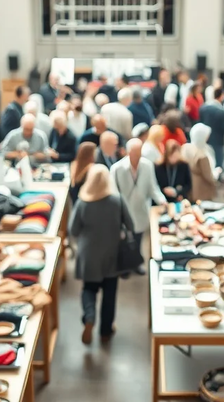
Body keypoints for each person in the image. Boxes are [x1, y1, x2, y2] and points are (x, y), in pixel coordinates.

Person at [70, 164, 134, 344]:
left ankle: (89, 317)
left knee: (89, 289)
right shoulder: (117, 200)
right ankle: (106, 330)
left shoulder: (83, 202)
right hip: (111, 254)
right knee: (109, 292)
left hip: (89, 254)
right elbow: (130, 225)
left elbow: (73, 230)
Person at [110, 139, 167, 274]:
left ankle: (136, 264)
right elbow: (113, 192)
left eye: (139, 152)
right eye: (135, 152)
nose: (137, 155)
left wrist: (161, 200)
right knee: (123, 240)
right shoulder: (117, 169)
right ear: (128, 152)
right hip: (124, 212)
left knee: (138, 239)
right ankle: (123, 266)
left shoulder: (147, 166)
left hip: (140, 209)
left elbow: (153, 187)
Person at [186, 124, 218, 202]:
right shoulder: (201, 155)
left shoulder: (186, 147)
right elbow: (208, 176)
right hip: (202, 190)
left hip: (190, 189)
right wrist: (216, 175)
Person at [199, 87, 224, 167]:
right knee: (218, 164)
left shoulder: (203, 108)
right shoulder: (221, 111)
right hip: (218, 142)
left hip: (205, 140)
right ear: (222, 96)